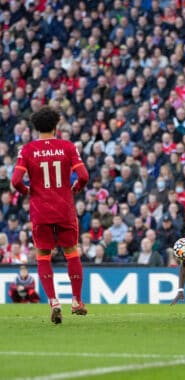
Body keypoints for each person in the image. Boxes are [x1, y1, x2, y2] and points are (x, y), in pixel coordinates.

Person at [11, 106, 89, 324]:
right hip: (64, 207)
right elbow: (84, 175)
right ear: (56, 126)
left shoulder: (27, 150)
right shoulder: (67, 147)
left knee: (43, 256)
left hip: (40, 210)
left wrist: (28, 192)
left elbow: (16, 181)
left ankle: (54, 301)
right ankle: (76, 300)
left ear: (35, 127)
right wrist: (75, 187)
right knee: (72, 253)